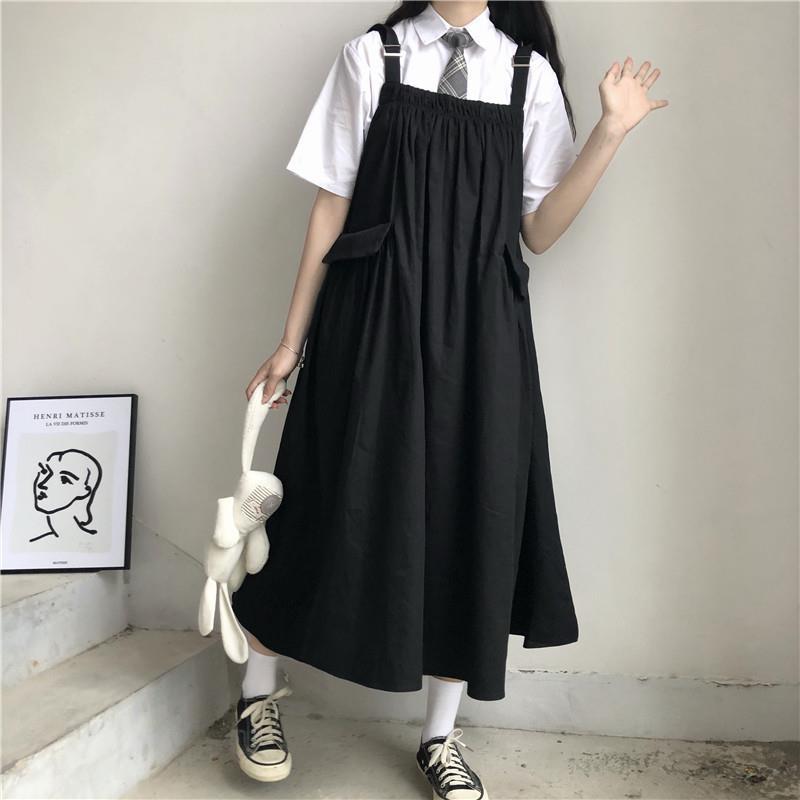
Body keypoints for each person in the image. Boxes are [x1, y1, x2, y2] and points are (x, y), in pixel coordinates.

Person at [230, 2, 667, 798]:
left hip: (483, 332)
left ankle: (440, 736)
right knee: (325, 502)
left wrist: (609, 133)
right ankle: (256, 694)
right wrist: (292, 341)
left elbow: (539, 230)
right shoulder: (374, 57)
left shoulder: (527, 75)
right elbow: (331, 202)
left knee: (474, 514)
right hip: (373, 318)